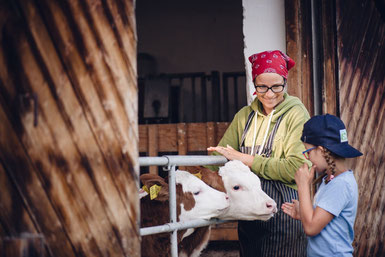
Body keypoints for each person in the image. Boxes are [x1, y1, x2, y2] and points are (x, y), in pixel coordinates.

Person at [207, 50, 309, 257]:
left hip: (285, 212)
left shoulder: (296, 114)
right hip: (249, 214)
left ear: (285, 82)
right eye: (262, 86)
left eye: (277, 86)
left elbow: (295, 169)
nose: (270, 94)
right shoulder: (245, 116)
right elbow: (218, 158)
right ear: (254, 83)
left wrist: (245, 159)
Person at [281, 114, 362, 257]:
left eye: (307, 152)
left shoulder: (341, 184)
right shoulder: (330, 179)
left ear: (321, 150)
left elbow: (311, 228)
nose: (307, 158)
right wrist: (305, 214)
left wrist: (303, 186)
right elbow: (322, 221)